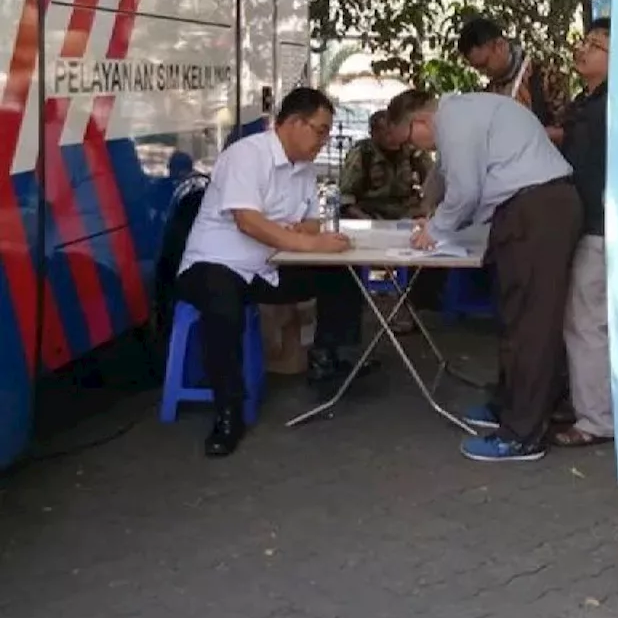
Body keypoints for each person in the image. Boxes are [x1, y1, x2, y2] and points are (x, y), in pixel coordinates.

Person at [389, 88, 581, 463]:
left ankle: (523, 435)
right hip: (529, 210)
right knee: (515, 317)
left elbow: (464, 191)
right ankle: (511, 406)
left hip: (537, 210)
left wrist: (436, 230)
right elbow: (447, 182)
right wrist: (434, 218)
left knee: (531, 325)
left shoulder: (454, 120)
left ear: (420, 122)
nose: (421, 149)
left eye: (413, 140)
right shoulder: (464, 113)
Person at [176, 87, 366, 458]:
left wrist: (306, 234)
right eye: (321, 130)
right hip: (216, 262)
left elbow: (311, 220)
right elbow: (247, 221)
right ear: (294, 123)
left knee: (341, 273)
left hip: (269, 266)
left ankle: (329, 356)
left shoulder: (304, 168)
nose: (324, 139)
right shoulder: (248, 155)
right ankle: (228, 413)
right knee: (222, 307)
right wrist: (308, 244)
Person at [552, 17, 612, 448]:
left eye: (596, 45)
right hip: (587, 223)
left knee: (587, 323)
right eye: (584, 41)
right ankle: (590, 406)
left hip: (597, 225)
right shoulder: (586, 102)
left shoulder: (606, 108)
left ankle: (596, 420)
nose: (583, 50)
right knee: (588, 321)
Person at [457, 16, 570, 145]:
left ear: (500, 45)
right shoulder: (488, 94)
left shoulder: (546, 76)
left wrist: (531, 134)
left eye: (485, 64)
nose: (483, 72)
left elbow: (568, 133)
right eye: (477, 68)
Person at [339, 109, 437, 220]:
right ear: (373, 134)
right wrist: (363, 218)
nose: (393, 138)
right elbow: (346, 195)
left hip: (407, 213)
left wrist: (425, 207)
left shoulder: (412, 151)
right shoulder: (362, 154)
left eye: (395, 132)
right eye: (387, 133)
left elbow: (434, 181)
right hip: (372, 212)